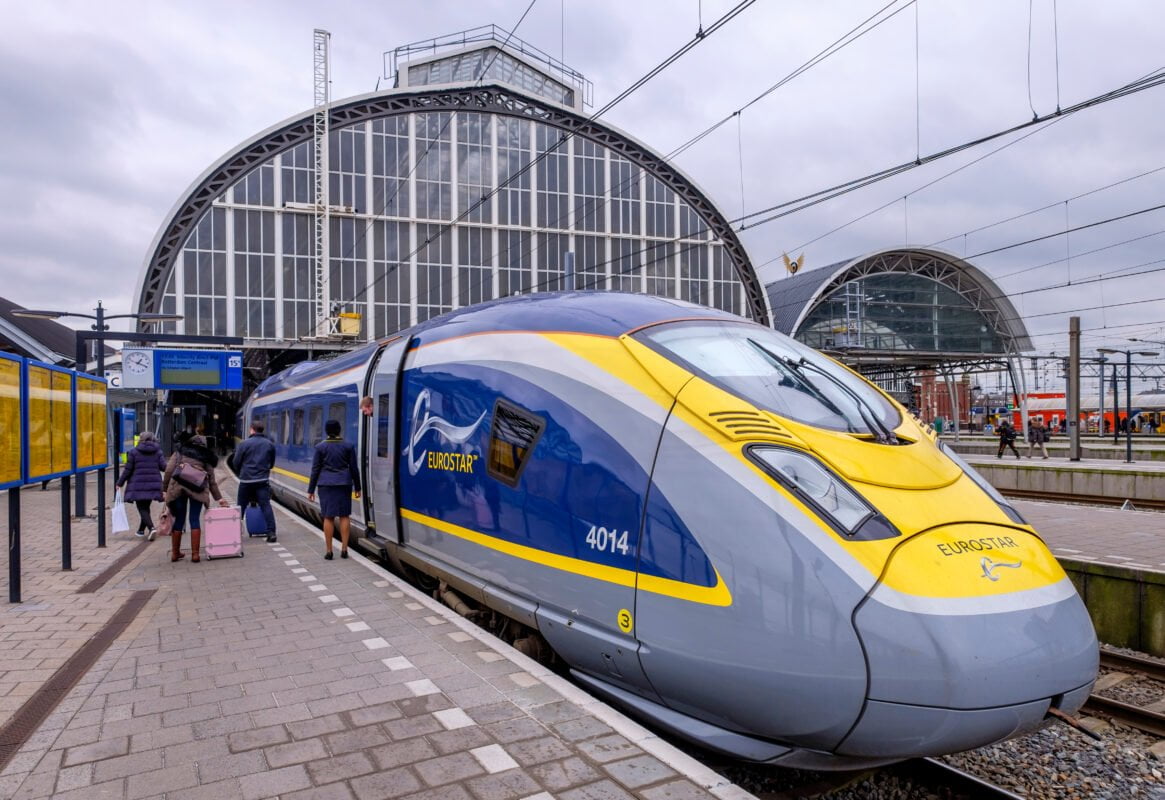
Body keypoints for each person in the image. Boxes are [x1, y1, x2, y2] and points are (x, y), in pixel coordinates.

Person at [163, 434, 229, 563]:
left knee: (180, 519)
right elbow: (212, 481)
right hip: (197, 490)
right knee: (194, 519)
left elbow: (168, 471)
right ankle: (195, 555)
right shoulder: (206, 457)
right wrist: (219, 498)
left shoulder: (179, 453)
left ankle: (175, 554)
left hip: (178, 489)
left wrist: (165, 489)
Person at [308, 419, 361, 560]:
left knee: (328, 517)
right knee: (344, 516)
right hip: (344, 484)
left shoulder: (320, 447)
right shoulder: (348, 446)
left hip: (326, 485)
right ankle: (344, 549)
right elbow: (354, 469)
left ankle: (329, 551)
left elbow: (315, 470)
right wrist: (358, 487)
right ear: (339, 430)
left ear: (326, 431)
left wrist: (311, 490)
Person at [230, 419, 277, 542]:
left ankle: (234, 533)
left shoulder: (244, 444)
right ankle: (271, 533)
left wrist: (243, 470)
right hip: (262, 481)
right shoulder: (269, 444)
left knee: (241, 506)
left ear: (252, 429)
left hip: (246, 481)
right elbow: (271, 464)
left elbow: (235, 463)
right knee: (266, 505)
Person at [115, 431, 167, 540]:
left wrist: (120, 483)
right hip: (153, 483)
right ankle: (141, 530)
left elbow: (128, 470)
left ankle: (152, 528)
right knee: (146, 507)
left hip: (138, 484)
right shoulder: (158, 451)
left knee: (142, 507)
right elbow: (163, 467)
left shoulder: (134, 452)